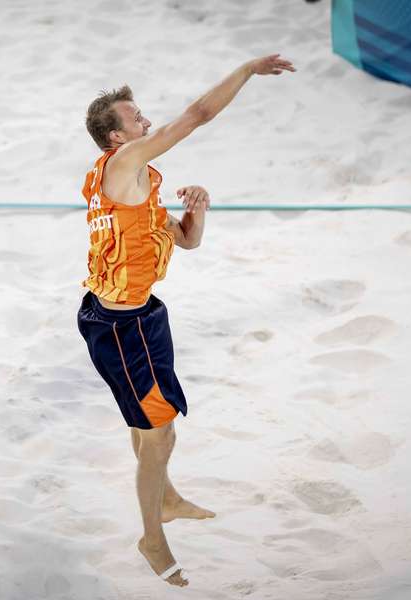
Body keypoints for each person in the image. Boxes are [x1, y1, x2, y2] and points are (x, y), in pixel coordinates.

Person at [77, 54, 295, 586]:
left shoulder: (141, 183)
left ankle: (167, 498)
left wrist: (198, 208)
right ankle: (151, 538)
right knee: (158, 435)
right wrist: (246, 69)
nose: (146, 123)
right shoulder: (122, 166)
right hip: (117, 326)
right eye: (136, 119)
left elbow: (188, 241)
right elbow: (197, 114)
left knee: (153, 427)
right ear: (114, 139)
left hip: (144, 315)